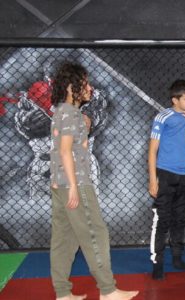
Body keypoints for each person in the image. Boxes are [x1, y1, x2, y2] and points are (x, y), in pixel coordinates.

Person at [49, 62, 138, 300]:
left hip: (61, 183)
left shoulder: (63, 112)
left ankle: (62, 293)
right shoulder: (69, 113)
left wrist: (59, 182)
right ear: (71, 87)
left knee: (64, 240)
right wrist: (74, 188)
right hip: (75, 182)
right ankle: (108, 290)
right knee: (95, 233)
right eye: (84, 83)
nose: (89, 87)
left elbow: (61, 148)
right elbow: (66, 151)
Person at [148, 79, 185, 280]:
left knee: (180, 218)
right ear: (175, 100)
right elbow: (153, 150)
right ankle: (157, 262)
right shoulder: (163, 117)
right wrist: (153, 179)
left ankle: (178, 258)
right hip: (166, 174)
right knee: (162, 219)